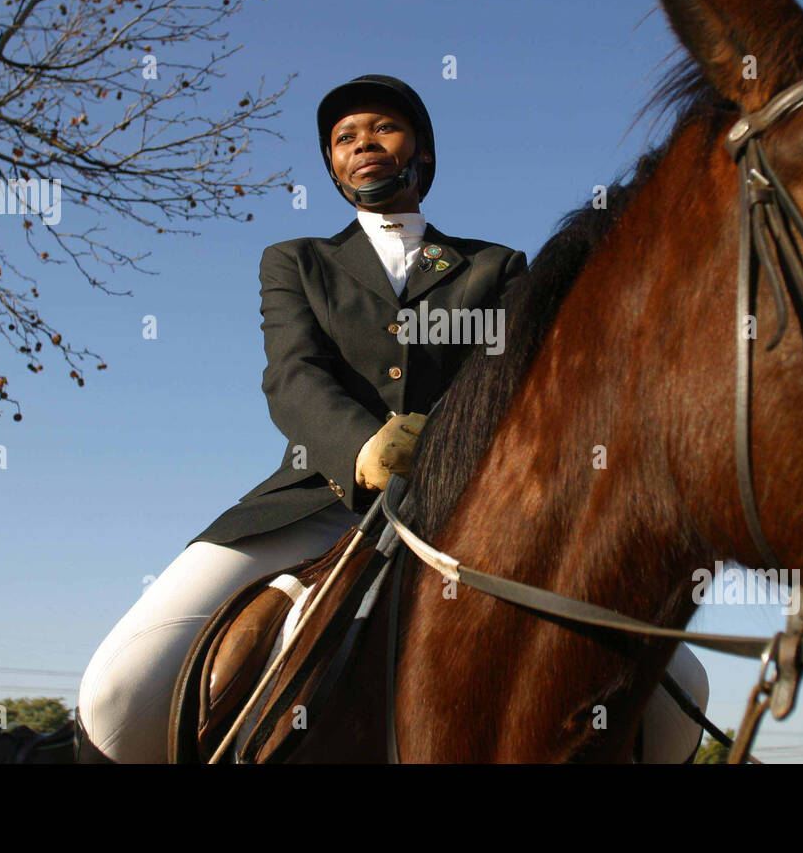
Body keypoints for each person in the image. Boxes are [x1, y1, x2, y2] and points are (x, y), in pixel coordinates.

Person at [75, 74, 528, 762]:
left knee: (682, 684)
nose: (362, 143)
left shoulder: (493, 267)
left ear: (423, 154)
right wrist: (365, 444)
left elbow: (510, 381)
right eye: (344, 138)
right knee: (118, 691)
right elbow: (291, 375)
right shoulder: (296, 261)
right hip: (320, 497)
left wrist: (444, 442)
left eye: (382, 127)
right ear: (334, 168)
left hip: (463, 506)